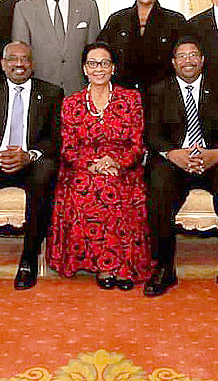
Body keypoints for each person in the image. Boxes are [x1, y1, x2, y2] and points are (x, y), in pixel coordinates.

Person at [144, 37, 218, 298]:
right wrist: (172, 154)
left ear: (202, 60)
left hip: (212, 159)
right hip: (174, 160)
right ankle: (163, 267)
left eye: (193, 55)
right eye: (182, 56)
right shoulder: (157, 91)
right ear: (173, 63)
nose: (188, 60)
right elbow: (151, 132)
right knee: (158, 185)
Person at [0, 41, 63, 291]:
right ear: (3, 64)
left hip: (30, 163)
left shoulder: (51, 93)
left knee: (45, 173)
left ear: (32, 64)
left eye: (25, 59)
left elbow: (55, 138)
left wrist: (30, 155)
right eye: (13, 59)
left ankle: (29, 258)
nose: (19, 64)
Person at [47, 43, 152, 290]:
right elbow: (67, 148)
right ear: (84, 69)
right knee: (92, 186)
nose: (99, 69)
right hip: (84, 167)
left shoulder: (131, 98)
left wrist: (116, 162)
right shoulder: (71, 103)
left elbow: (138, 145)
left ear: (113, 68)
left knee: (116, 186)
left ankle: (124, 265)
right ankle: (105, 266)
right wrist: (92, 165)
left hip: (122, 165)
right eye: (93, 63)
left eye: (104, 63)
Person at [12, 0, 101, 96]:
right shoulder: (24, 9)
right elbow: (21, 57)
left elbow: (96, 54)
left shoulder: (88, 6)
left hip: (80, 93)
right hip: (40, 95)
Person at [98, 0, 186, 92]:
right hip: (123, 95)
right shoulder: (117, 19)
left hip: (164, 95)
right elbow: (102, 53)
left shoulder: (175, 21)